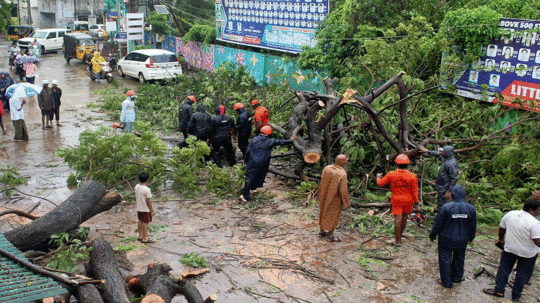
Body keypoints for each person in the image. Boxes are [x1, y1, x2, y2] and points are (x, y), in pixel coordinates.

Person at [483, 199, 540, 302]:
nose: (539, 212)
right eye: (538, 210)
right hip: (527, 253)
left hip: (510, 248)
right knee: (522, 273)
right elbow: (537, 240)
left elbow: (501, 229)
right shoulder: (535, 223)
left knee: (504, 268)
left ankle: (499, 290)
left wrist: (500, 240)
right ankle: (516, 296)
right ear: (532, 210)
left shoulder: (510, 214)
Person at [429, 185, 477, 288]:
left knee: (445, 259)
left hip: (446, 238)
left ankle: (446, 281)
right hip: (462, 239)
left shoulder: (446, 207)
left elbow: (438, 223)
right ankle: (457, 277)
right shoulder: (471, 208)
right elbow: (473, 225)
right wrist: (471, 237)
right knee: (459, 257)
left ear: (453, 195)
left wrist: (432, 235)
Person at [241, 126, 296, 202]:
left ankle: (245, 196)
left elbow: (248, 151)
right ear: (269, 133)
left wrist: (245, 160)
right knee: (258, 175)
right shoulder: (270, 141)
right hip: (263, 163)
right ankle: (252, 189)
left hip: (252, 161)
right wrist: (290, 140)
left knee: (249, 177)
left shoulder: (254, 139)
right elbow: (281, 142)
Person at [377, 154, 420, 246]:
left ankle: (397, 240)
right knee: (404, 218)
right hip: (409, 200)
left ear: (396, 164)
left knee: (397, 218)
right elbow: (415, 191)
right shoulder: (412, 176)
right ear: (408, 164)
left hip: (396, 200)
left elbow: (380, 183)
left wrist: (378, 177)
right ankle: (399, 236)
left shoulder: (391, 174)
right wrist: (417, 203)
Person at [318, 154, 351, 242]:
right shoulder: (342, 174)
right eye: (346, 160)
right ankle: (330, 235)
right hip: (335, 198)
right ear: (342, 162)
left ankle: (321, 231)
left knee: (323, 211)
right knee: (333, 215)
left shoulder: (327, 168)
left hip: (324, 195)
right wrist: (347, 203)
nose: (347, 161)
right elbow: (343, 191)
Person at [418, 145, 459, 211]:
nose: (441, 153)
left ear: (447, 153)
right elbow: (437, 154)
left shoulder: (451, 164)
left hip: (445, 189)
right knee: (441, 204)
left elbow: (454, 178)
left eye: (443, 152)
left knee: (444, 206)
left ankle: (442, 219)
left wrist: (449, 191)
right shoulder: (445, 158)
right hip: (441, 187)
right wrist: (426, 151)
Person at [135, 171, 156, 243]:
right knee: (145, 222)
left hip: (139, 208)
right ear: (147, 179)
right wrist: (152, 210)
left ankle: (140, 235)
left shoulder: (137, 186)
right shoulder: (147, 189)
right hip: (145, 209)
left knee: (140, 220)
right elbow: (148, 201)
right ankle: (145, 238)